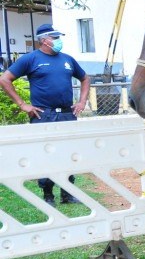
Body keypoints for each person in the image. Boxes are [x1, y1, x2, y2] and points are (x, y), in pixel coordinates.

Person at [0, 23, 90, 205]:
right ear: (43, 40)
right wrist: (22, 104)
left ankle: (67, 194)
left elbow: (85, 78)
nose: (58, 41)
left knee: (68, 153)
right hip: (43, 116)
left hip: (66, 114)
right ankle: (48, 195)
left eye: (58, 37)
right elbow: (5, 79)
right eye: (55, 37)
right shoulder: (31, 59)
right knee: (46, 154)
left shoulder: (67, 59)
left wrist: (81, 102)